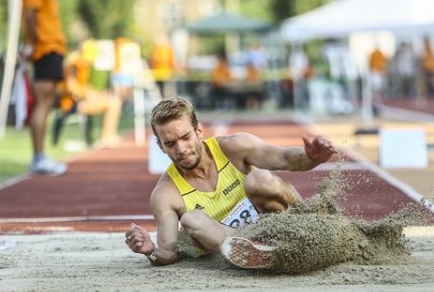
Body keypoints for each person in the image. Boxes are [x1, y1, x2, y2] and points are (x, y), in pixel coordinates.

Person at [124, 96, 337, 268]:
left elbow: (286, 158)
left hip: (279, 221)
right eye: (170, 143)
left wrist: (313, 157)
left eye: (186, 137)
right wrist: (150, 250)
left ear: (198, 130)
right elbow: (168, 252)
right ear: (161, 146)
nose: (180, 149)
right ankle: (258, 253)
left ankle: (314, 228)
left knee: (259, 178)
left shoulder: (234, 147)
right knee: (190, 220)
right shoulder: (165, 195)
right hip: (232, 240)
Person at [21, 0, 67, 175]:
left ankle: (39, 156)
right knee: (44, 102)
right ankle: (38, 157)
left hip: (49, 48)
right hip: (46, 48)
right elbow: (30, 12)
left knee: (46, 102)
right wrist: (32, 43)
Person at [56, 40, 123, 145]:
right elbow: (71, 88)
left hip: (80, 100)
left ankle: (109, 135)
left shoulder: (81, 64)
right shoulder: (74, 63)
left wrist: (96, 93)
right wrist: (90, 94)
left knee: (113, 99)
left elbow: (81, 86)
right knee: (113, 102)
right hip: (72, 104)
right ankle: (107, 136)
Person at [368, 46, 388, 113]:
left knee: (377, 90)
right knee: (376, 90)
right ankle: (375, 104)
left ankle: (376, 104)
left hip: (377, 73)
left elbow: (384, 63)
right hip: (375, 73)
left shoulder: (380, 54)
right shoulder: (374, 54)